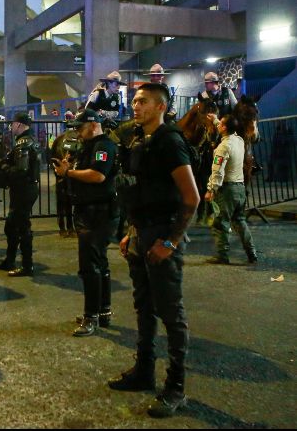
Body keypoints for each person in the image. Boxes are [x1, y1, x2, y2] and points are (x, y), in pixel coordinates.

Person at [108, 83, 200, 418]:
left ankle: (176, 387)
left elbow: (191, 198)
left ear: (161, 107)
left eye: (143, 101)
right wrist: (131, 233)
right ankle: (143, 372)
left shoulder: (170, 142)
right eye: (134, 101)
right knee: (143, 307)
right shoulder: (137, 140)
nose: (136, 106)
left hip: (162, 237)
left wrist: (170, 242)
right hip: (140, 235)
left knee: (171, 314)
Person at [52, 109, 118, 337]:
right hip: (89, 212)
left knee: (90, 266)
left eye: (80, 128)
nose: (77, 133)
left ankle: (92, 316)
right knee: (99, 263)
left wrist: (69, 172)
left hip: (97, 214)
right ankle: (102, 312)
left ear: (92, 125)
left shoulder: (104, 146)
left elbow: (98, 176)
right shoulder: (89, 145)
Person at [204, 113, 257, 264]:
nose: (218, 125)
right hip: (240, 188)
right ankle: (251, 252)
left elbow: (217, 171)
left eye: (220, 123)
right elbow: (228, 129)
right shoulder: (239, 141)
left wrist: (211, 189)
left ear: (225, 127)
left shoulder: (223, 147)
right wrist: (215, 120)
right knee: (240, 221)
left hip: (227, 190)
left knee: (221, 223)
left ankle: (222, 255)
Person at [0, 112, 41, 277]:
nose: (11, 127)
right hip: (25, 189)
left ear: (19, 125)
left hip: (23, 190)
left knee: (21, 227)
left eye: (13, 124)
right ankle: (10, 260)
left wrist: (4, 168)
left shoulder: (24, 143)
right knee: (12, 226)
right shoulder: (29, 140)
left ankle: (27, 266)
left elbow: (20, 170)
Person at [49, 125, 77, 238]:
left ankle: (69, 226)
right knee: (62, 199)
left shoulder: (62, 139)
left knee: (68, 199)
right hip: (63, 174)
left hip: (70, 174)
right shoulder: (59, 140)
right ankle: (63, 226)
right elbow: (52, 158)